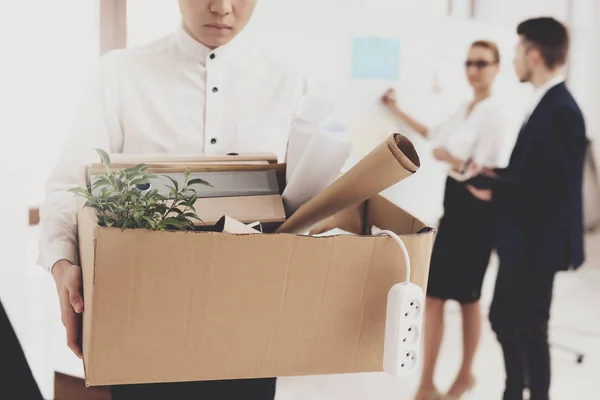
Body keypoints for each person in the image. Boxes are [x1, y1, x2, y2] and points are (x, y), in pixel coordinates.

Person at [38, 1, 316, 398]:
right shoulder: (119, 74)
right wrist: (62, 263)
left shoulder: (289, 82)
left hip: (251, 321)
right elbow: (70, 184)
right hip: (140, 317)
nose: (222, 7)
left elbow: (310, 196)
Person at [467, 18, 587, 400]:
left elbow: (553, 191)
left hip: (539, 242)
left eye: (518, 52)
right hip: (522, 238)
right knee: (504, 318)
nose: (515, 59)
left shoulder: (561, 110)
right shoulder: (545, 104)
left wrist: (493, 190)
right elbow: (533, 172)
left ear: (533, 55)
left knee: (530, 327)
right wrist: (495, 175)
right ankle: (513, 390)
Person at [382, 40, 509, 400]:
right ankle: (427, 381)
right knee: (435, 296)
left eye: (482, 63)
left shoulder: (496, 113)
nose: (473, 70)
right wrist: (395, 109)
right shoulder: (466, 107)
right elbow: (433, 134)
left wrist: (450, 159)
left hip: (478, 214)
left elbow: (489, 177)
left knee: (468, 299)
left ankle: (463, 375)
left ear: (496, 68)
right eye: (470, 62)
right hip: (454, 208)